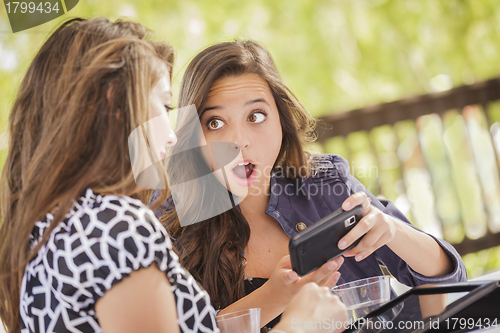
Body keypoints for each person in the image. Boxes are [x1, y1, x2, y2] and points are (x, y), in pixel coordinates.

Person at [0, 18, 347, 333]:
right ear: (115, 105)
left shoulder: (48, 225)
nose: (172, 133)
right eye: (163, 106)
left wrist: (276, 295)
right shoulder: (119, 228)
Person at [151, 40, 468, 330]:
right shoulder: (169, 224)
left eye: (256, 116)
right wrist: (276, 296)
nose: (239, 142)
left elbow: (449, 280)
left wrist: (395, 232)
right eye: (215, 123)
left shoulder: (325, 185)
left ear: (282, 121)